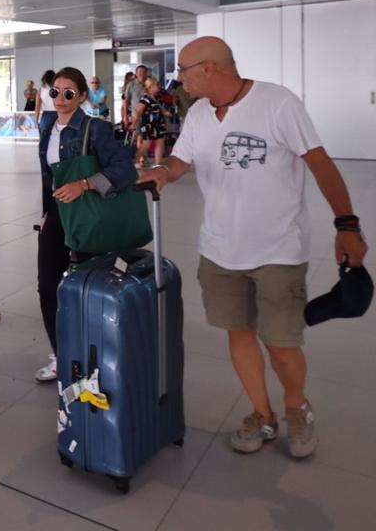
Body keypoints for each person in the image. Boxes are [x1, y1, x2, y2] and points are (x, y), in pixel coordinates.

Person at [137, 37, 368, 459]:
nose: (179, 78)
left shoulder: (278, 103)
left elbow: (320, 163)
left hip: (278, 249)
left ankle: (296, 408)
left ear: (208, 69)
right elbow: (180, 162)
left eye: (184, 70)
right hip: (220, 249)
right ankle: (262, 414)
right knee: (239, 334)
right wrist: (160, 172)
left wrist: (347, 225)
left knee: (281, 342)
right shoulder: (199, 115)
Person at [33, 68, 136, 381]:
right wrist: (46, 210)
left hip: (91, 218)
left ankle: (97, 359)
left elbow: (124, 169)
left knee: (92, 289)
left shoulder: (95, 128)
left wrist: (86, 184)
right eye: (55, 92)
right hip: (59, 215)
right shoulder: (47, 124)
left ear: (81, 96)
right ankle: (61, 354)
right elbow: (47, 175)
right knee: (48, 286)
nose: (61, 99)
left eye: (68, 93)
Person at [133, 76, 167, 167]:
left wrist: (165, 113)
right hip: (149, 125)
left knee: (160, 142)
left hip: (159, 124)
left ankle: (158, 164)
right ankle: (136, 160)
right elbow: (138, 111)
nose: (158, 86)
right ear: (151, 86)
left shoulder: (157, 98)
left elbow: (160, 109)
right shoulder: (145, 98)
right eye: (157, 84)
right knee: (146, 143)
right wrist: (133, 124)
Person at [124, 65, 148, 130]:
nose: (142, 74)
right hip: (136, 117)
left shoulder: (150, 84)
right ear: (136, 73)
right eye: (140, 72)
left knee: (147, 138)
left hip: (148, 117)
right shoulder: (131, 85)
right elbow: (126, 101)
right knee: (137, 136)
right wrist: (125, 117)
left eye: (144, 72)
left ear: (146, 73)